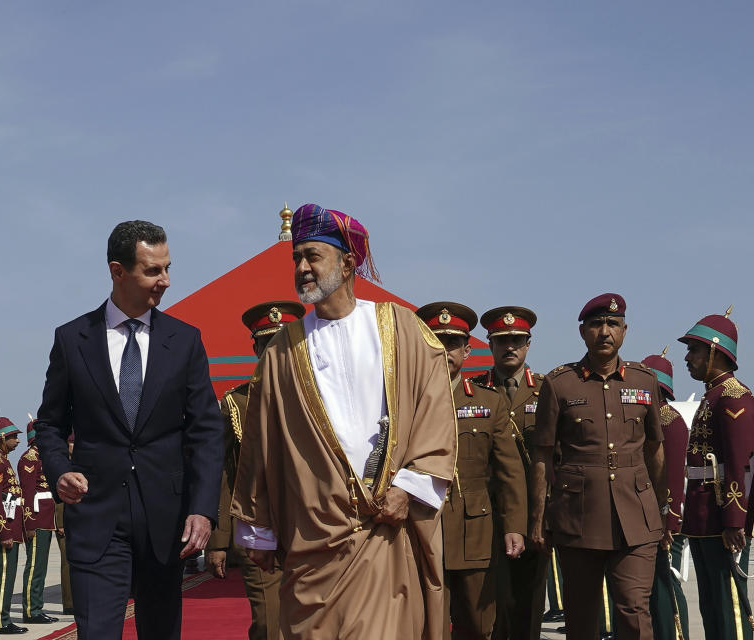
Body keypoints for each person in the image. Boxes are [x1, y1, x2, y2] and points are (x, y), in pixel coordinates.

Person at [230, 203, 457, 639]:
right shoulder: (281, 351)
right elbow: (261, 443)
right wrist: (257, 528)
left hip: (386, 530)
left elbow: (435, 410)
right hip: (312, 540)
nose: (301, 268)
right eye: (297, 258)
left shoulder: (400, 328)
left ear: (348, 262)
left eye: (313, 256)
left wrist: (409, 487)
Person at [35, 220, 225, 640]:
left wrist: (203, 508)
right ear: (117, 271)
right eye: (153, 271)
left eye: (168, 268)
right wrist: (58, 469)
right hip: (97, 516)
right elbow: (49, 424)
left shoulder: (185, 340)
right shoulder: (72, 339)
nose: (166, 281)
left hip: (166, 522)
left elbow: (207, 432)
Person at [529, 293, 666, 640]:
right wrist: (538, 519)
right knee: (582, 613)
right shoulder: (559, 384)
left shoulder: (644, 381)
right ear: (582, 332)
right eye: (596, 324)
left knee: (634, 607)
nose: (605, 332)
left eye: (613, 324)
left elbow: (655, 447)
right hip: (578, 517)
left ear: (624, 331)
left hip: (636, 517)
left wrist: (658, 506)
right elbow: (543, 454)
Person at [417, 302, 527, 640]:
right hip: (422, 530)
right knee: (427, 628)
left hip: (475, 531)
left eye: (452, 343)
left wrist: (514, 527)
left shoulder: (489, 402)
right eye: (436, 340)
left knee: (477, 627)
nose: (444, 350)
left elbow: (509, 471)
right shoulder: (407, 401)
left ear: (467, 349)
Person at [207, 300, 304, 640]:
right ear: (256, 348)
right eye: (267, 343)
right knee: (269, 624)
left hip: (315, 529)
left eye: (283, 342)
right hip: (260, 531)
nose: (275, 351)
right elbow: (222, 473)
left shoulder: (322, 397)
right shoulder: (236, 403)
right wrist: (217, 541)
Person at [470, 305, 549, 640]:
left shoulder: (546, 391)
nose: (510, 347)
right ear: (490, 344)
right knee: (487, 600)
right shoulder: (474, 390)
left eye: (517, 340)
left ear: (528, 344)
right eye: (502, 341)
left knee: (527, 601)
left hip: (533, 511)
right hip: (484, 512)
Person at [680, 309, 754, 640]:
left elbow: (740, 463)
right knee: (710, 605)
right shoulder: (713, 395)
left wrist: (734, 521)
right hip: (702, 516)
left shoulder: (733, 396)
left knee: (729, 606)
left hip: (720, 518)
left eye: (693, 350)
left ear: (714, 350)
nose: (687, 357)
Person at [641, 351, 690, 640]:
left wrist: (668, 520)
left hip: (664, 519)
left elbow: (671, 476)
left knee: (666, 585)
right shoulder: (651, 418)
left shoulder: (668, 420)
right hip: (649, 515)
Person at [0, 415, 29, 635]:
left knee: (9, 576)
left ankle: (4, 617)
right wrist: (3, 531)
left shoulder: (3, 461)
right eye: (13, 437)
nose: (18, 441)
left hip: (12, 528)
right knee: (3, 576)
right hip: (4, 531)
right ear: (2, 438)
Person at [18, 416, 59, 624]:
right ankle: (30, 610)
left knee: (40, 568)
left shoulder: (43, 458)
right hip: (36, 519)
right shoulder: (29, 459)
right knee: (34, 567)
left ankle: (37, 607)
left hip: (46, 518)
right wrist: (29, 522)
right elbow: (27, 492)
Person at [55, 434, 75, 615]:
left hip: (79, 519)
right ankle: (69, 603)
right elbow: (58, 497)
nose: (74, 446)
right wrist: (60, 522)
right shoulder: (62, 464)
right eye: (71, 442)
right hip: (64, 521)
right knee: (67, 562)